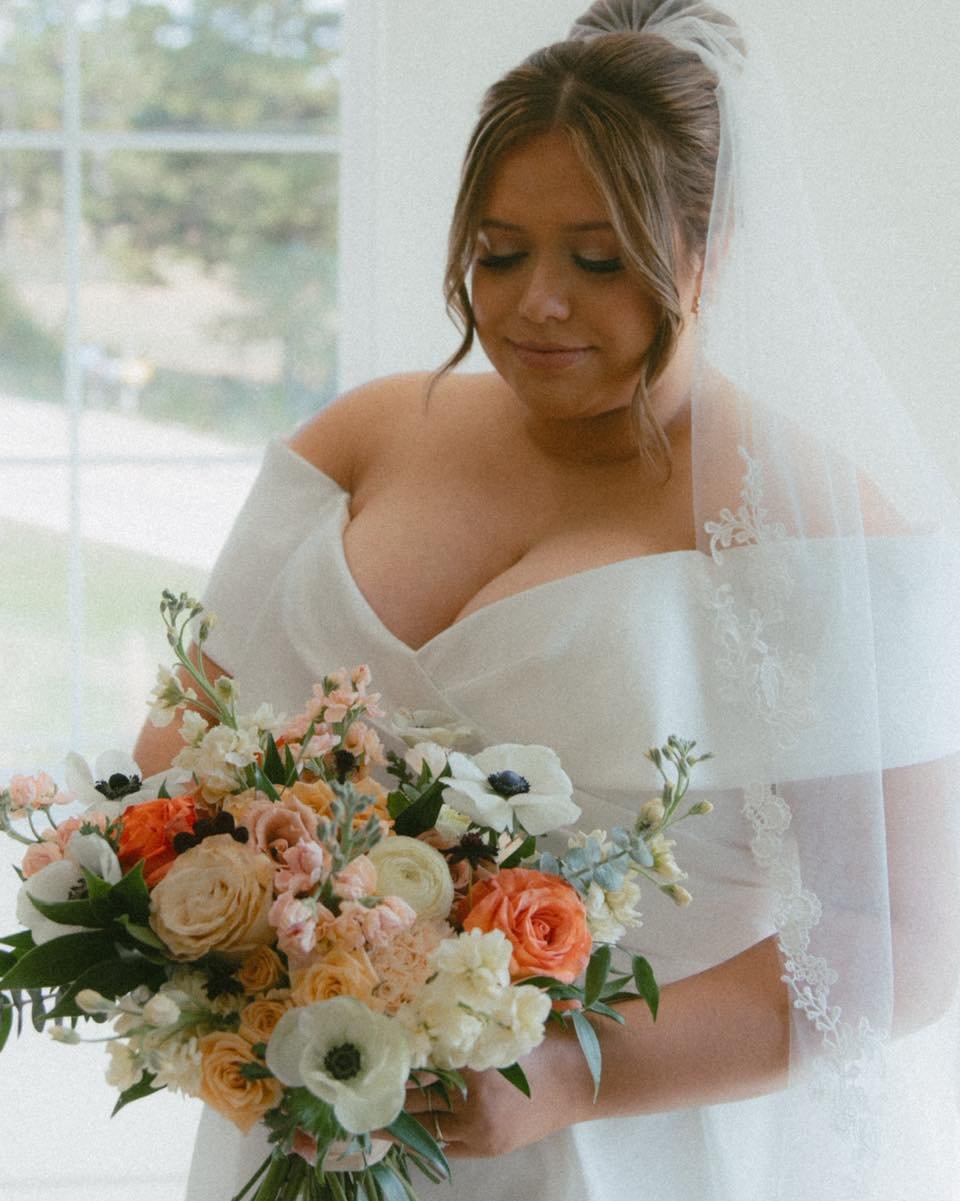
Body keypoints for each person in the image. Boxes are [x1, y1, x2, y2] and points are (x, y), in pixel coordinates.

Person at [135, 2, 960, 1198]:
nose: (535, 306)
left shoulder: (815, 526)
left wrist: (574, 1071)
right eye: (499, 250)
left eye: (599, 256)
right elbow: (179, 739)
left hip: (616, 1148)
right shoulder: (366, 434)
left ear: (709, 248)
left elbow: (901, 945)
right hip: (309, 1108)